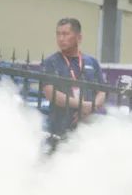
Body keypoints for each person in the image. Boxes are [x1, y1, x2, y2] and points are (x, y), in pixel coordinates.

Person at [41, 18, 106, 148]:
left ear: (79, 37)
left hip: (87, 130)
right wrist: (83, 105)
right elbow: (50, 93)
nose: (61, 38)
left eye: (65, 34)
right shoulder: (51, 62)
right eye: (58, 34)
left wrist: (90, 108)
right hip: (58, 128)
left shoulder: (92, 62)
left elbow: (102, 92)